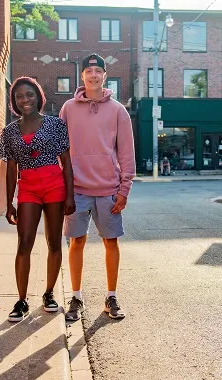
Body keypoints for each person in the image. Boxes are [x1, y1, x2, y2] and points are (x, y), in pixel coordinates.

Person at [59, 53, 135, 321]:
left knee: (110, 242)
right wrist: (64, 186)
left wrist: (124, 189)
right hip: (77, 189)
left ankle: (111, 296)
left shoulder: (118, 110)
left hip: (108, 190)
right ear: (82, 76)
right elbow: (61, 150)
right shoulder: (68, 108)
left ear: (105, 75)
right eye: (88, 70)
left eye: (98, 70)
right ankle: (76, 297)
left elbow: (126, 153)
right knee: (76, 242)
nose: (93, 74)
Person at [0, 77, 75, 322]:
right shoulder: (9, 131)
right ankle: (21, 300)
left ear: (38, 96)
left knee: (54, 242)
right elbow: (11, 169)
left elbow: (66, 162)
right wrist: (9, 202)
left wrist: (70, 195)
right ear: (14, 101)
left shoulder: (55, 124)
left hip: (54, 184)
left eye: (29, 95)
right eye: (20, 96)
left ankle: (49, 294)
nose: (25, 100)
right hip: (29, 187)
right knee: (24, 244)